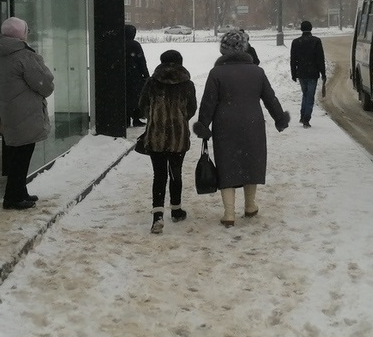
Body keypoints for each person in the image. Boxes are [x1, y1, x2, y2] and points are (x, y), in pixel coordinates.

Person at [193, 30, 290, 227]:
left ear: (223, 49)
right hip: (252, 123)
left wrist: (203, 125)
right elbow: (270, 98)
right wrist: (279, 118)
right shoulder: (257, 71)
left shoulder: (216, 73)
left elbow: (208, 102)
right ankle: (250, 206)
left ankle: (229, 214)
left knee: (226, 164)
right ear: (244, 48)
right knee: (250, 162)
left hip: (224, 125)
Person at [0, 17, 55, 210]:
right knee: (22, 155)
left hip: (10, 110)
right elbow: (43, 83)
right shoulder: (23, 55)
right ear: (21, 33)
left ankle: (19, 192)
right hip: (26, 111)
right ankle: (13, 197)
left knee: (17, 154)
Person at [136, 49, 198, 234]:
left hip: (156, 135)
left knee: (159, 175)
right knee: (175, 173)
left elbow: (142, 106)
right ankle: (177, 210)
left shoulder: (152, 83)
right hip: (178, 136)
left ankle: (158, 216)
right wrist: (179, 118)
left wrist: (155, 117)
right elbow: (192, 109)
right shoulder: (187, 84)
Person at [289, 20, 327, 127]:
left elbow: (293, 59)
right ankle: (306, 118)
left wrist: (293, 73)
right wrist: (323, 73)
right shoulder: (316, 41)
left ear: (301, 29)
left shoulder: (296, 42)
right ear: (311, 28)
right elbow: (320, 59)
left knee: (305, 94)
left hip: (301, 72)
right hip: (313, 72)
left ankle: (303, 115)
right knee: (310, 96)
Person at [124, 24, 150, 127]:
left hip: (123, 75)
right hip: (135, 76)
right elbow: (141, 61)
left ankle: (125, 119)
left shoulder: (119, 44)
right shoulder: (135, 45)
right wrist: (146, 75)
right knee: (135, 98)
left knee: (125, 98)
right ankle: (135, 118)